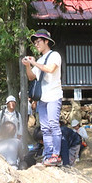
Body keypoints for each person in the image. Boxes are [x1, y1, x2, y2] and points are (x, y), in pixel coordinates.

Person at [23, 29, 63, 167]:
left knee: (53, 125)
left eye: (38, 41)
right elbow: (31, 76)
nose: (36, 44)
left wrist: (34, 63)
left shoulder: (55, 55)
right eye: (34, 42)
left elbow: (51, 69)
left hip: (54, 95)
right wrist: (28, 65)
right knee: (45, 128)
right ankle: (48, 156)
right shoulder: (39, 60)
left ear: (46, 41)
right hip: (42, 98)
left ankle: (56, 155)